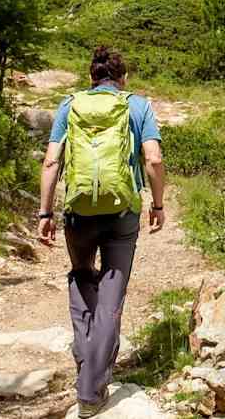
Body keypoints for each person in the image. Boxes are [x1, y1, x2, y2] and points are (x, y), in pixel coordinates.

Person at [36, 46, 165, 417]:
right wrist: (157, 205)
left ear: (91, 77)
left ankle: (85, 354)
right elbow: (153, 159)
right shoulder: (137, 106)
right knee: (112, 295)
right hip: (123, 213)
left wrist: (45, 212)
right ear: (123, 79)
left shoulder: (69, 105)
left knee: (80, 277)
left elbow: (51, 161)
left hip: (78, 212)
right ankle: (91, 393)